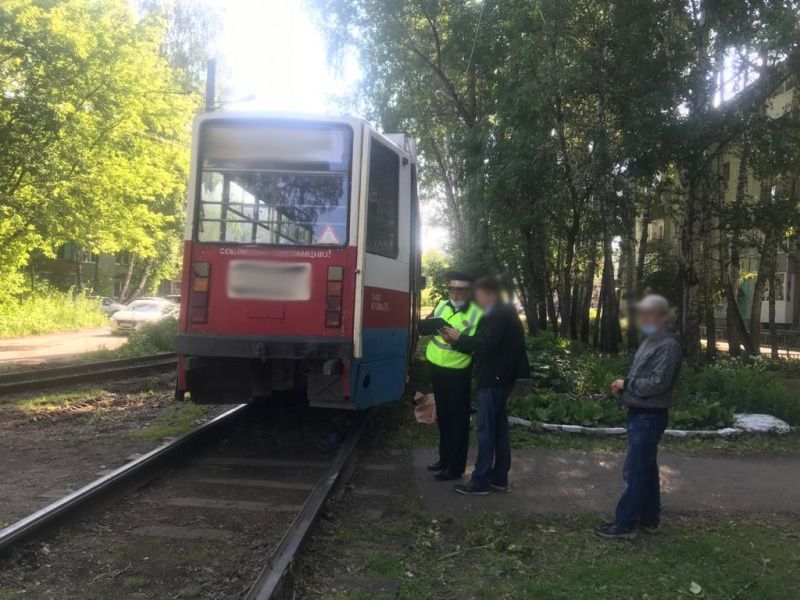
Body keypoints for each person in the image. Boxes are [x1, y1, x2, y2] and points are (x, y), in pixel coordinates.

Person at [594, 294, 682, 539]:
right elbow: (642, 376)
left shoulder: (668, 345)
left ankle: (625, 525)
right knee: (647, 469)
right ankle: (649, 519)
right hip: (639, 413)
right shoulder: (651, 341)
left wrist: (626, 384)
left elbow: (657, 384)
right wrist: (624, 388)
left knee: (635, 472)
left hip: (649, 416)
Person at [440, 276, 530, 495]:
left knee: (486, 430)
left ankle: (480, 482)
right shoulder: (503, 310)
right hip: (501, 378)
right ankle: (499, 479)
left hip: (494, 378)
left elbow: (487, 344)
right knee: (499, 431)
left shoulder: (497, 313)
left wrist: (459, 338)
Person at [424, 271, 483, 482]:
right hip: (437, 369)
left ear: (468, 292)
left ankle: (455, 468)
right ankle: (444, 459)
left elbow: (478, 346)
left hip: (458, 373)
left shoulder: (477, 313)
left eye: (459, 290)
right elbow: (425, 328)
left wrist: (457, 340)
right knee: (444, 418)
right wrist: (425, 325)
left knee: (458, 421)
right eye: (452, 289)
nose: (455, 294)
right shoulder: (441, 305)